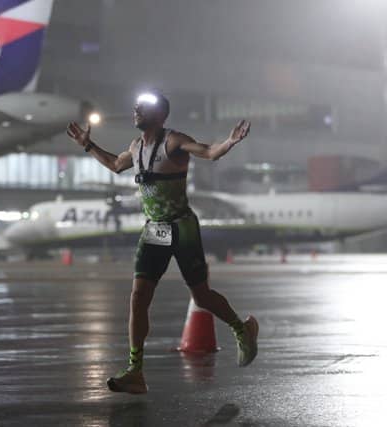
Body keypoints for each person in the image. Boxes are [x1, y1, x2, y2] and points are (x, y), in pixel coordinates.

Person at [66, 91, 258, 394]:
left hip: (182, 228)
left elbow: (208, 152)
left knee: (202, 296)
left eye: (142, 107)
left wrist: (229, 142)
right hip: (155, 230)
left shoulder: (173, 141)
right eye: (136, 106)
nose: (135, 110)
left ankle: (242, 329)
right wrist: (88, 146)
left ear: (160, 115)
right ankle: (135, 371)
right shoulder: (136, 147)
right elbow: (117, 164)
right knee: (138, 297)